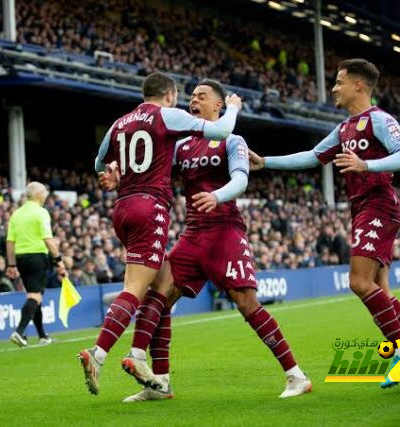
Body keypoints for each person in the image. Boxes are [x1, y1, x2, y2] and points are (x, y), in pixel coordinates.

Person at [105, 79, 311, 401]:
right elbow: (150, 163)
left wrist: (216, 196)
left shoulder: (233, 139)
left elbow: (241, 180)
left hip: (225, 229)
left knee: (247, 304)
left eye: (201, 96)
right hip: (193, 233)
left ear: (218, 105)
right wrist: (117, 172)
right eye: (191, 97)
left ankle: (295, 375)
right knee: (158, 294)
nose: (194, 100)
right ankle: (159, 383)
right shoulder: (182, 145)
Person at [248, 58, 400, 393]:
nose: (333, 88)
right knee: (380, 288)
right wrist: (267, 162)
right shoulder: (345, 127)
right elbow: (312, 155)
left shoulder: (378, 120)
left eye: (338, 82)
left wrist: (366, 164)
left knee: (359, 282)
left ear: (358, 86)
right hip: (362, 208)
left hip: (379, 205)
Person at [79, 71, 243, 395]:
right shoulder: (166, 115)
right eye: (180, 97)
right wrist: (234, 107)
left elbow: (99, 163)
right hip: (148, 207)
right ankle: (97, 355)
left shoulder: (119, 123)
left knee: (164, 284)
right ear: (169, 94)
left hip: (122, 208)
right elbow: (223, 128)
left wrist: (112, 175)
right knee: (135, 287)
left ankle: (158, 379)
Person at [6, 182, 66, 347]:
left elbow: (10, 242)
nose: (46, 195)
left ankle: (42, 335)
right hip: (37, 257)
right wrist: (59, 261)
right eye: (45, 192)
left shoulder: (16, 214)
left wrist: (11, 265)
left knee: (35, 295)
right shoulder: (41, 212)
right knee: (34, 296)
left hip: (20, 258)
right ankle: (19, 332)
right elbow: (48, 240)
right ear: (38, 194)